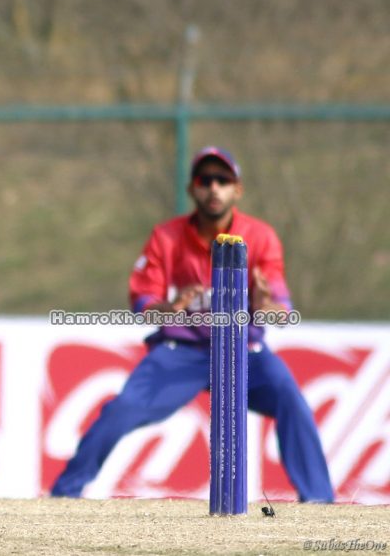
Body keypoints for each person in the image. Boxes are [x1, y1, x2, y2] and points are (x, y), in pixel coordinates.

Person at [50, 146, 334, 503]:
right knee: (122, 410)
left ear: (237, 189)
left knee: (292, 401)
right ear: (192, 189)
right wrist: (172, 306)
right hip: (181, 353)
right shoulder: (166, 237)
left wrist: (266, 306)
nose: (214, 188)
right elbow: (143, 303)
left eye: (223, 180)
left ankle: (319, 500)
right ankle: (65, 494)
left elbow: (279, 304)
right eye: (205, 180)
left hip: (243, 352)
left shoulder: (259, 236)